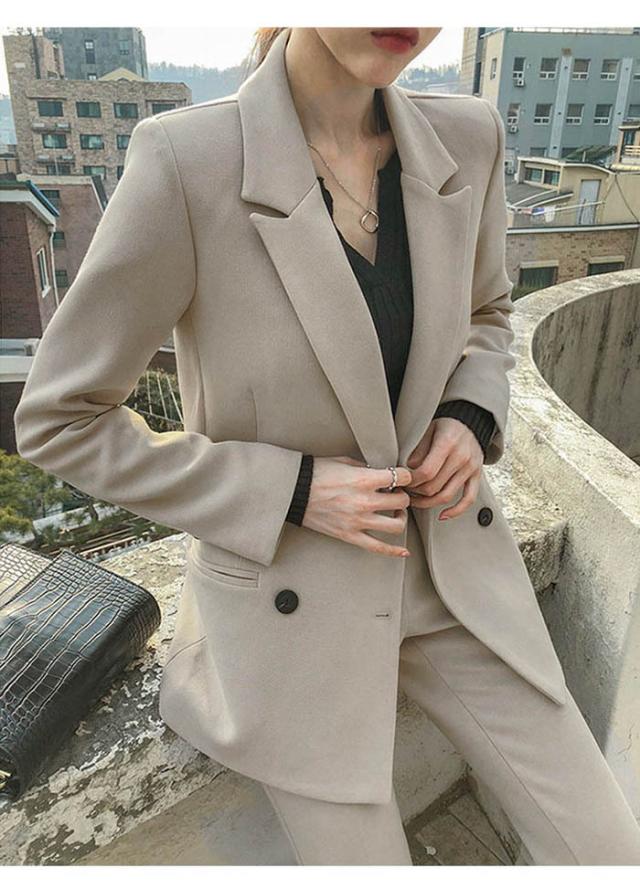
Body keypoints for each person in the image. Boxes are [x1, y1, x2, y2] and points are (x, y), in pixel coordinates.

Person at [14, 26, 640, 865]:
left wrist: (469, 412)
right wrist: (291, 489)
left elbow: (489, 314)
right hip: (291, 599)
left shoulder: (469, 136)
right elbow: (60, 419)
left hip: (452, 570)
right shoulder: (186, 162)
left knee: (610, 849)